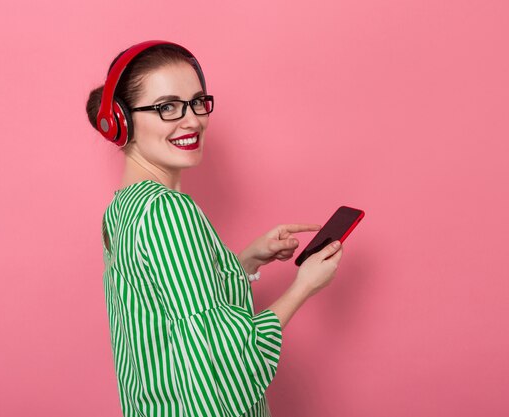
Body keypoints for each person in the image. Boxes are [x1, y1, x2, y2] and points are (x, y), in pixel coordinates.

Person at [85, 40, 344, 417]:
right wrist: (304, 286)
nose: (191, 120)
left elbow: (172, 311)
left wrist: (246, 261)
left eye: (196, 102)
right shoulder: (168, 211)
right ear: (121, 122)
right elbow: (225, 359)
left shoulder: (123, 209)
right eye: (167, 107)